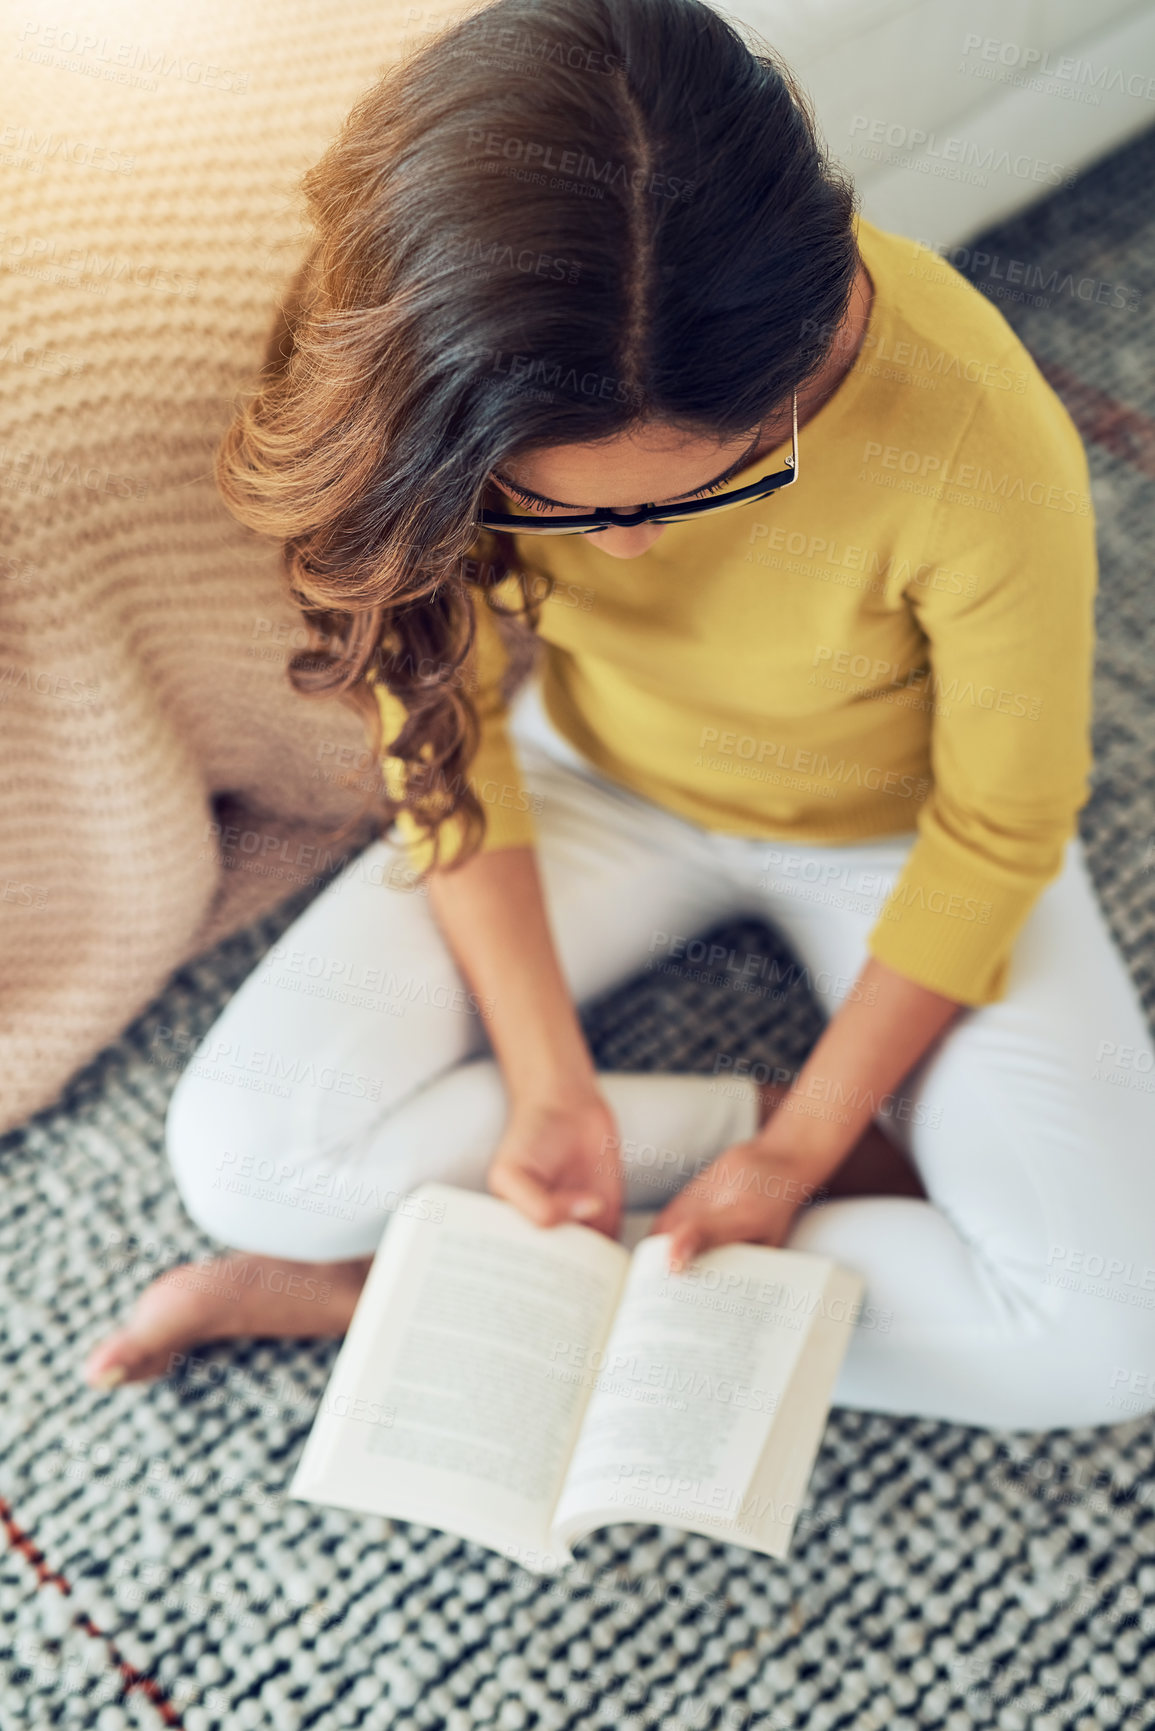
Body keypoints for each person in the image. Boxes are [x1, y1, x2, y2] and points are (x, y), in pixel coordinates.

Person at [85, 0, 1155, 1429]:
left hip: (905, 837)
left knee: (1109, 1339)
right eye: (560, 509)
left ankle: (397, 1297)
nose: (630, 553)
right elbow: (438, 729)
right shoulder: (448, 352)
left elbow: (1005, 823)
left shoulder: (977, 430)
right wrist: (549, 1090)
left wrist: (804, 1157)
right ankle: (716, 1154)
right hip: (593, 778)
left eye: (691, 489)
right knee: (243, 1162)